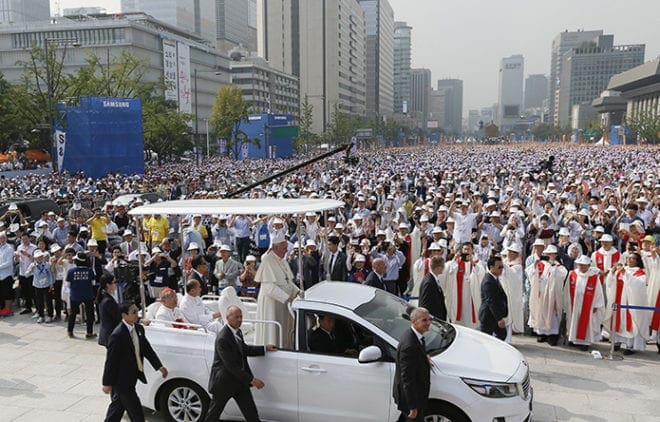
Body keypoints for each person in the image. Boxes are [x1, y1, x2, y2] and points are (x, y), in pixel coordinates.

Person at [204, 305, 277, 422]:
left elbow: (244, 349)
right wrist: (252, 380)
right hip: (224, 383)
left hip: (240, 383)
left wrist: (264, 348)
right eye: (236, 317)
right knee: (213, 416)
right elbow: (231, 366)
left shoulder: (237, 332)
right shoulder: (223, 338)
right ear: (228, 318)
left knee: (252, 414)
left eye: (241, 317)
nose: (240, 320)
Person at [102, 301, 168, 422]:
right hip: (122, 380)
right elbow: (111, 362)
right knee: (136, 411)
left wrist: (159, 366)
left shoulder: (139, 329)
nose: (137, 314)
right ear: (124, 315)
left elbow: (147, 350)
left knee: (117, 409)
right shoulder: (117, 335)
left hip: (133, 376)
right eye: (133, 312)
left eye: (137, 311)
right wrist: (107, 383)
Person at [254, 234, 300, 348]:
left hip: (284, 303)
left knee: (284, 330)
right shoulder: (268, 261)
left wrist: (298, 291)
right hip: (272, 304)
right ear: (275, 248)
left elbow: (288, 281)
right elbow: (269, 288)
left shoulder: (282, 260)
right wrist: (287, 298)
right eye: (284, 248)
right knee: (273, 331)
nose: (286, 251)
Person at [604, 252, 649, 354]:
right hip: (619, 300)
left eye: (633, 258)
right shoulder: (622, 269)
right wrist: (612, 272)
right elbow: (610, 282)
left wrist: (625, 273)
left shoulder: (640, 272)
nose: (630, 260)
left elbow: (639, 285)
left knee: (631, 322)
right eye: (628, 258)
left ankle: (630, 346)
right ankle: (617, 342)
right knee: (618, 321)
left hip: (631, 302)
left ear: (637, 261)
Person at [393, 307, 432, 422]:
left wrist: (424, 358)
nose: (428, 323)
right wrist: (412, 406)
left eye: (429, 320)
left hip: (417, 396)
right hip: (412, 400)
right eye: (424, 320)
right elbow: (407, 378)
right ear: (414, 322)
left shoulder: (415, 336)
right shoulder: (410, 345)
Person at [525, 245, 566, 346]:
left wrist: (553, 267)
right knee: (540, 312)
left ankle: (552, 335)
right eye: (547, 254)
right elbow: (530, 272)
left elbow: (562, 276)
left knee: (552, 315)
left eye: (552, 254)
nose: (549, 256)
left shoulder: (558, 266)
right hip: (541, 293)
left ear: (555, 255)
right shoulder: (540, 264)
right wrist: (535, 265)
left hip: (552, 295)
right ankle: (542, 334)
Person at [564, 255, 604, 351]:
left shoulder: (593, 277)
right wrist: (566, 302)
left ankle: (585, 342)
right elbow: (566, 289)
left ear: (588, 266)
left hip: (588, 305)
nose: (582, 267)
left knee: (586, 322)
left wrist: (596, 305)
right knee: (573, 321)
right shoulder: (572, 274)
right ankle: (573, 339)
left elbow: (598, 292)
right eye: (580, 265)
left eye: (584, 265)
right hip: (574, 303)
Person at [66, 252, 97, 339]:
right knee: (90, 314)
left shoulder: (71, 271)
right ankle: (89, 332)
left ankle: (70, 331)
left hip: (75, 295)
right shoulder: (90, 271)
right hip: (88, 295)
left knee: (73, 314)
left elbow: (68, 284)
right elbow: (93, 283)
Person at [479, 255, 508, 341]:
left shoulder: (494, 279)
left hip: (493, 316)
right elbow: (491, 301)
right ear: (491, 267)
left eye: (502, 267)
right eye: (499, 267)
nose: (501, 269)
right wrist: (499, 318)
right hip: (488, 316)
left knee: (502, 335)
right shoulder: (488, 281)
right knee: (486, 340)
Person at [97, 272, 122, 348]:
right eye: (114, 282)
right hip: (111, 334)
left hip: (109, 334)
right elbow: (118, 317)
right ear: (108, 285)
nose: (115, 285)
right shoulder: (108, 300)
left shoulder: (106, 297)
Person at [418, 256, 447, 321]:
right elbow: (424, 305)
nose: (443, 268)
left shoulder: (432, 279)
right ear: (438, 267)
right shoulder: (429, 282)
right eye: (443, 266)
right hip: (432, 321)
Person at [0, 232, 15, 316]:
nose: (1, 240)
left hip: (7, 275)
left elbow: (9, 263)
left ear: (5, 238)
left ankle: (8, 310)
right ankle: (3, 309)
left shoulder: (9, 248)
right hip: (0, 275)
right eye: (0, 238)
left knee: (7, 293)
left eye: (3, 238)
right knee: (2, 293)